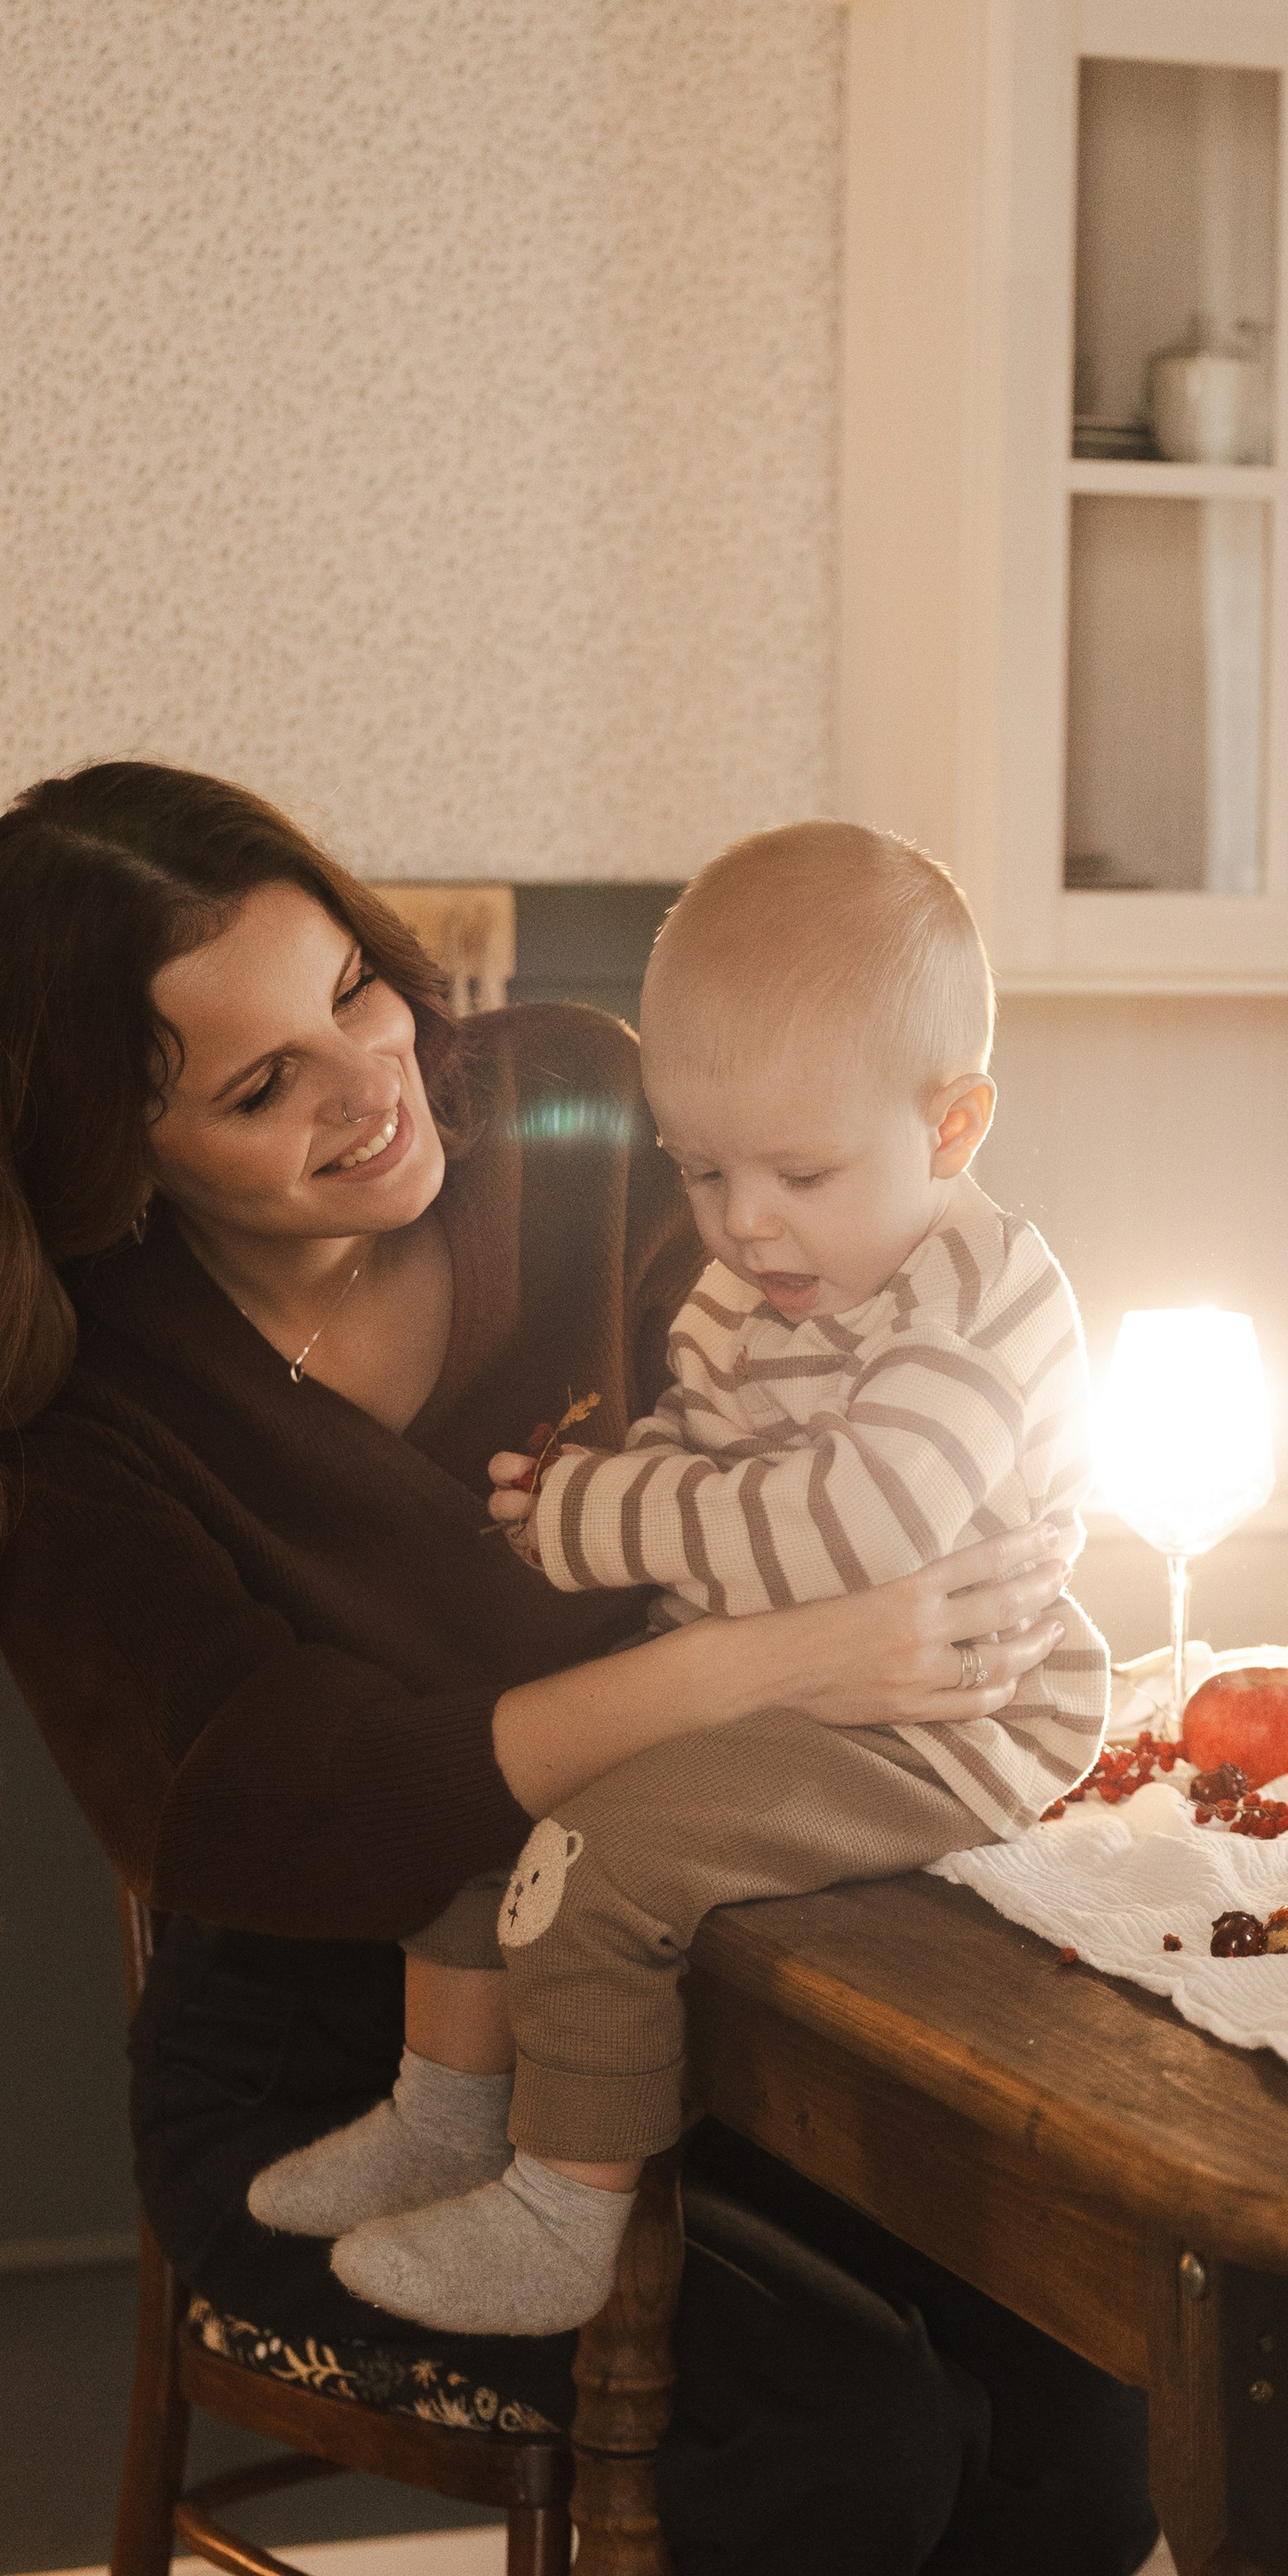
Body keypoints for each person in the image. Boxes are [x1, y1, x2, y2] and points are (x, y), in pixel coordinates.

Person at [0, 760, 1156, 2576]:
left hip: (714, 1989)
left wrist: (995, 1535)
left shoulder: (570, 1116)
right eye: (266, 1082)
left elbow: (877, 1266)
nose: (373, 1080)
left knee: (1082, 2392)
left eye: (356, 983)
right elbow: (282, 1799)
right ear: (121, 1158)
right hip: (345, 2084)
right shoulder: (87, 1417)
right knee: (843, 2429)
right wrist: (791, 1655)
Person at [252, 821, 1109, 2339]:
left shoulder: (971, 1311)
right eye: (701, 1169)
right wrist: (623, 1505)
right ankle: (445, 2110)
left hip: (952, 1714)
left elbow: (854, 1529)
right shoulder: (770, 1279)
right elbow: (706, 1447)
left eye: (798, 1169)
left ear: (956, 1127)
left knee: (606, 1862)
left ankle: (562, 2211)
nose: (741, 1218)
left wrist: (587, 1517)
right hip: (791, 1671)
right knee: (492, 1771)